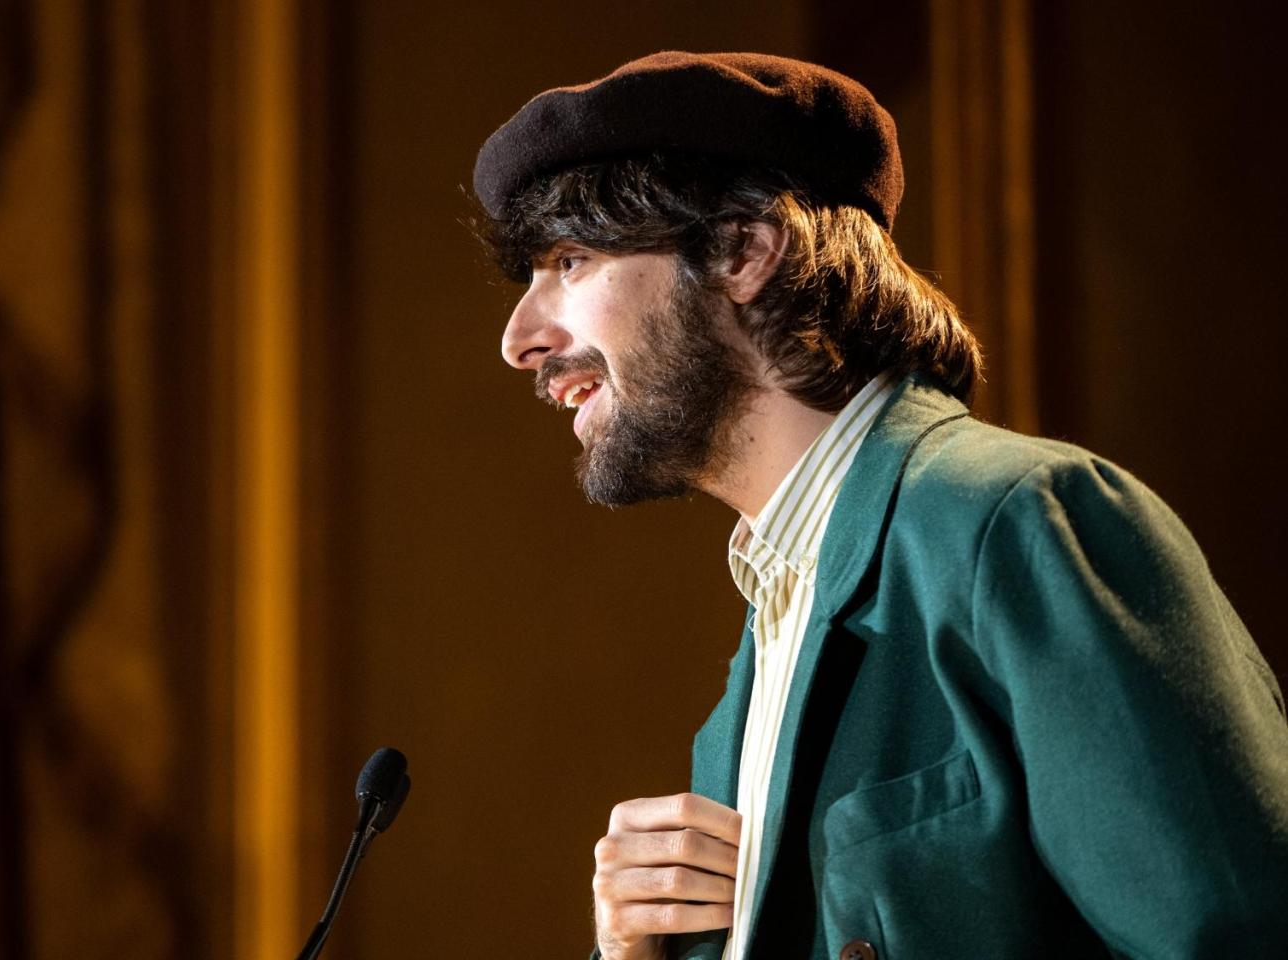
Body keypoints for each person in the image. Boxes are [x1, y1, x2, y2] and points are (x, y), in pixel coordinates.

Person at [471, 51, 1288, 960]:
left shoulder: (1019, 523)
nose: (520, 339)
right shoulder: (770, 621)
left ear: (743, 250)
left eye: (570, 261)